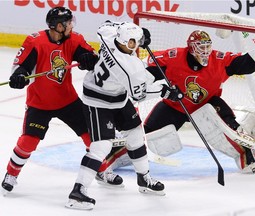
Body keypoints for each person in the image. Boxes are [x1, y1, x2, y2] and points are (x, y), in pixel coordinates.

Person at [95, 30, 255, 176]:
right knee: (146, 137)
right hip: (175, 106)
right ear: (191, 48)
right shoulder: (173, 57)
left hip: (207, 103)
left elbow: (241, 64)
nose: (205, 51)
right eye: (200, 47)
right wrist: (127, 74)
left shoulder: (218, 60)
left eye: (207, 47)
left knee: (229, 127)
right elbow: (146, 72)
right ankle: (112, 157)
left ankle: (247, 155)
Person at [65, 21, 182, 210]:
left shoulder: (110, 36)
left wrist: (140, 34)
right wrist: (164, 91)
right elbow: (139, 94)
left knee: (136, 135)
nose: (135, 46)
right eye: (132, 43)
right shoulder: (130, 69)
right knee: (101, 146)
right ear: (125, 42)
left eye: (136, 42)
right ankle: (77, 192)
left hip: (117, 97)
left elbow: (104, 26)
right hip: (97, 100)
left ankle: (143, 178)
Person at [1, 6, 102, 195]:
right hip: (40, 103)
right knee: (28, 142)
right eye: (69, 23)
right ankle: (11, 173)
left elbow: (88, 56)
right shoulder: (35, 41)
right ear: (58, 26)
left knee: (92, 136)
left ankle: (103, 170)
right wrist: (19, 76)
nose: (72, 25)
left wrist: (89, 59)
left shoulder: (74, 39)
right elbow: (20, 66)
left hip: (68, 101)